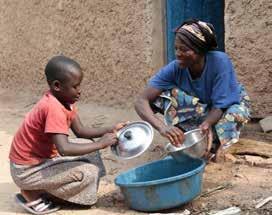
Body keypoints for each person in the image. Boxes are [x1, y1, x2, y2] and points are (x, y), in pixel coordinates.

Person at [9, 55, 126, 214]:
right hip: (26, 170)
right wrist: (101, 143)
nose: (79, 91)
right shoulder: (53, 108)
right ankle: (35, 193)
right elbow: (64, 148)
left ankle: (73, 193)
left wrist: (111, 129)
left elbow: (81, 131)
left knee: (88, 147)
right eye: (75, 86)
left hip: (41, 160)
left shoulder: (64, 100)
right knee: (89, 172)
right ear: (57, 86)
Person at [135, 19, 250, 162]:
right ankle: (194, 134)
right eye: (176, 48)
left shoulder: (220, 61)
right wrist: (162, 127)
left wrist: (207, 123)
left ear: (200, 50)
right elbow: (141, 100)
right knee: (161, 98)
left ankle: (218, 143)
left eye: (184, 49)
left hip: (226, 105)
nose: (178, 54)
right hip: (202, 107)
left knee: (235, 113)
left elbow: (221, 105)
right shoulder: (175, 67)